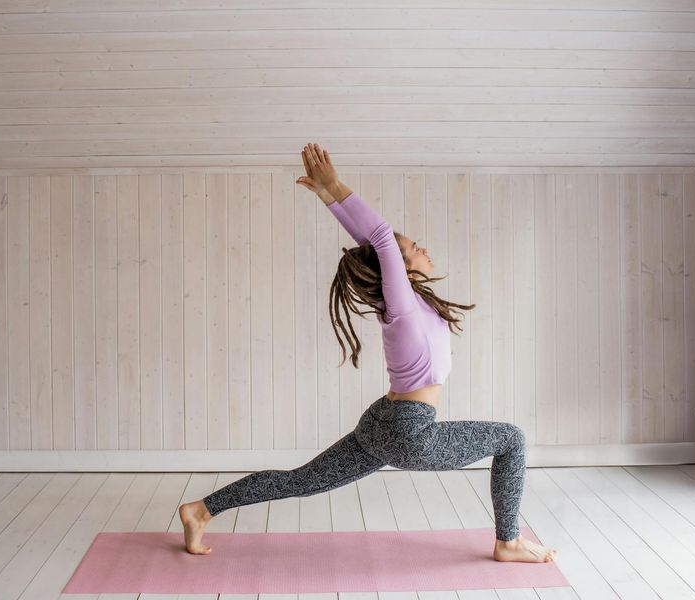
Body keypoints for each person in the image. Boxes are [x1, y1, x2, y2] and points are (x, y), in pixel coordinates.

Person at [179, 143, 557, 564]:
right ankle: (508, 542)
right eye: (416, 247)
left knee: (302, 480)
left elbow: (375, 245)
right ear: (401, 263)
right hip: (408, 431)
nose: (425, 249)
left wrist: (327, 197)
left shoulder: (404, 300)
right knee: (512, 439)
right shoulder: (401, 306)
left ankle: (200, 510)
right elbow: (379, 237)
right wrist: (335, 185)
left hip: (382, 421)